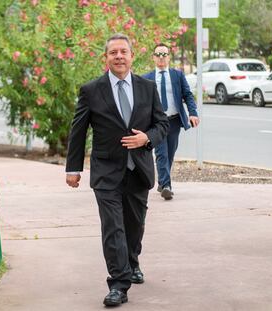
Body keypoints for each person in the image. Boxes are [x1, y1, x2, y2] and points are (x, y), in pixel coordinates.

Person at [65, 33, 168, 306]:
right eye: (114, 52)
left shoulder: (147, 88)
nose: (119, 56)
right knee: (113, 227)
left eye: (124, 52)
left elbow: (162, 124)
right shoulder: (91, 90)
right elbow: (78, 131)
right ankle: (118, 284)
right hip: (106, 171)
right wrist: (73, 168)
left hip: (139, 170)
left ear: (132, 56)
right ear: (106, 58)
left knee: (134, 226)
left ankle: (132, 263)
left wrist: (147, 138)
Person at [143, 43, 199, 200]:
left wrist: (193, 113)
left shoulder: (177, 75)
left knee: (170, 152)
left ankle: (162, 181)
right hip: (156, 123)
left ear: (168, 57)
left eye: (164, 54)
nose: (161, 58)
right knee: (161, 153)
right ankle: (166, 186)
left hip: (174, 121)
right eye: (158, 55)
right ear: (153, 57)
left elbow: (187, 95)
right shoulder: (146, 78)